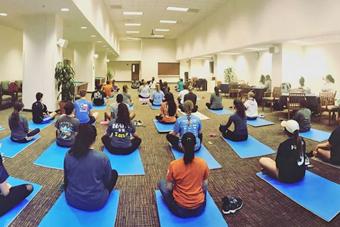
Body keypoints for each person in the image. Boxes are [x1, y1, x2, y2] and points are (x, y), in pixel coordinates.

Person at [64, 124, 118, 210]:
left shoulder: (68, 154)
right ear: (94, 139)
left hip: (72, 199)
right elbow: (107, 180)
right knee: (114, 173)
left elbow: (66, 178)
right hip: (96, 202)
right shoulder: (102, 157)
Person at [158, 132, 208, 218]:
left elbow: (169, 188)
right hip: (199, 208)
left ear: (181, 145)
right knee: (202, 188)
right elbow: (205, 186)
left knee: (161, 183)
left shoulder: (174, 165)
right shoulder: (203, 163)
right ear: (195, 145)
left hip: (181, 210)